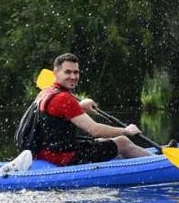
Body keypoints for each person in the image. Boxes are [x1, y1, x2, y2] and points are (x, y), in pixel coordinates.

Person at [20, 53, 150, 166]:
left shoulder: (46, 92)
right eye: (68, 72)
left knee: (101, 142)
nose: (73, 76)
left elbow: (56, 114)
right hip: (62, 157)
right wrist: (126, 130)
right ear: (55, 73)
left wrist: (80, 106)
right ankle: (158, 163)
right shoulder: (64, 98)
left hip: (46, 150)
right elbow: (95, 130)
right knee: (122, 141)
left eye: (76, 72)